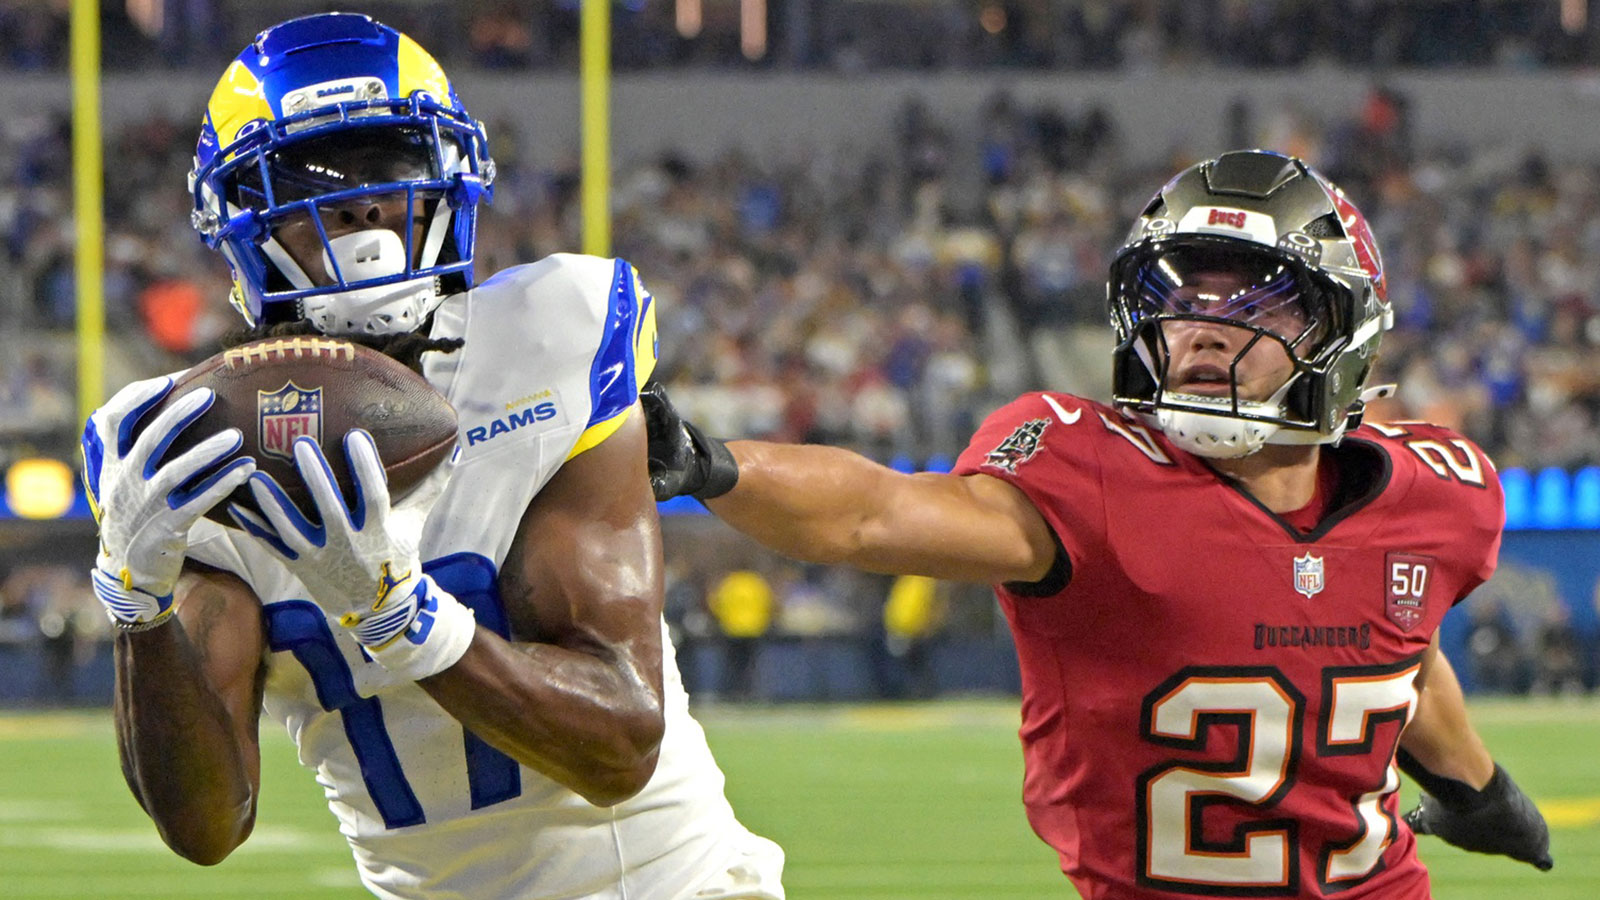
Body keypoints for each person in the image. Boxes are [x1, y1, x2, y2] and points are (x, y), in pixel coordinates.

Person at [644, 150, 1551, 898]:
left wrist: (1478, 788)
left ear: (1342, 331)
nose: (1202, 328)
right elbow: (875, 515)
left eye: (1255, 301)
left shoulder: (1436, 493)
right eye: (1181, 299)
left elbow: (1398, 652)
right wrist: (708, 461)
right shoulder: (1093, 478)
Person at [81, 13, 783, 900]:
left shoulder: (549, 338)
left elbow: (620, 746)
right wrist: (135, 610)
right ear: (243, 218)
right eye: (315, 172)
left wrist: (404, 618)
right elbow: (210, 827)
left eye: (391, 159)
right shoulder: (190, 443)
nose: (365, 199)